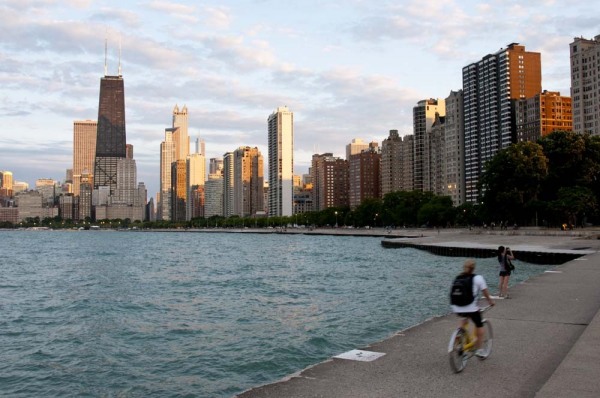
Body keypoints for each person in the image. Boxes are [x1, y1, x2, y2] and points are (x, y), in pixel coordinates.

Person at [451, 259, 495, 358]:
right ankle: (479, 350)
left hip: (457, 306)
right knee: (479, 325)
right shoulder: (478, 278)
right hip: (471, 307)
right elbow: (485, 293)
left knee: (464, 320)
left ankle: (458, 340)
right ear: (474, 268)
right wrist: (491, 302)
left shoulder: (458, 277)